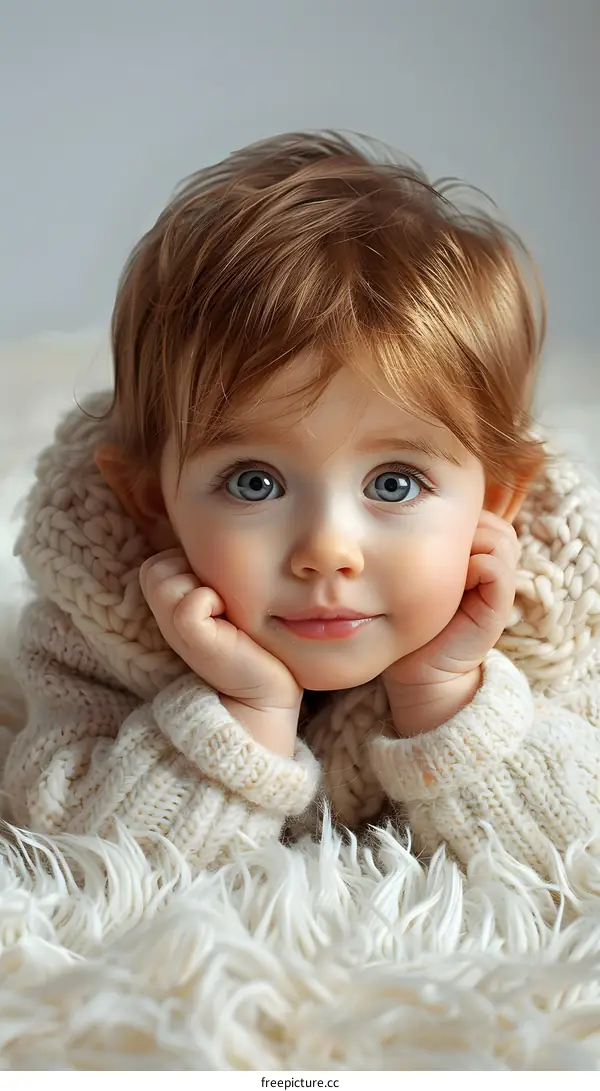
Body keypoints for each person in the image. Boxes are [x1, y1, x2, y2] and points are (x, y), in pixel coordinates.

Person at [5, 131, 600, 878]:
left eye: (394, 483)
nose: (327, 548)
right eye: (255, 481)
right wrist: (243, 713)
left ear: (498, 501)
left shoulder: (546, 622)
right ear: (153, 503)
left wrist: (448, 696)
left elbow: (576, 860)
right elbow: (76, 861)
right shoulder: (98, 616)